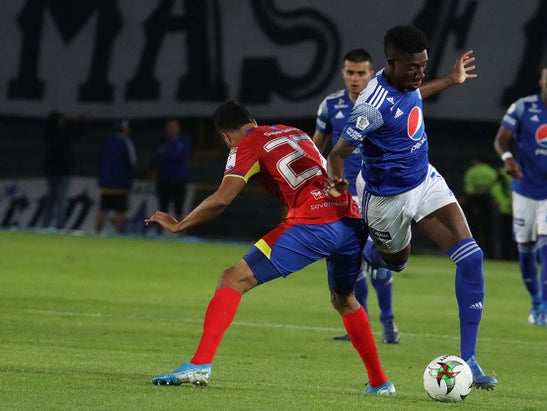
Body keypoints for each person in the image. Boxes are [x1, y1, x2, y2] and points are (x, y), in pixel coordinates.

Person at [145, 100, 396, 396]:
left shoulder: (244, 145)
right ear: (253, 119)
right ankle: (380, 383)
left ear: (225, 137)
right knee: (344, 299)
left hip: (314, 223)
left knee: (231, 278)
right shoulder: (294, 131)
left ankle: (199, 364)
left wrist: (180, 224)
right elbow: (328, 168)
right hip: (351, 221)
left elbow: (223, 198)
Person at [326, 24, 497, 390]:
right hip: (386, 199)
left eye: (424, 65)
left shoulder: (406, 81)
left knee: (471, 257)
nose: (419, 73)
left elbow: (416, 93)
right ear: (392, 63)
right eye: (413, 67)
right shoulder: (370, 107)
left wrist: (450, 80)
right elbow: (337, 153)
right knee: (396, 263)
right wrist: (337, 182)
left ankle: (469, 359)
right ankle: (366, 251)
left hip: (425, 180)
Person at [313, 48, 399, 344]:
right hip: (342, 198)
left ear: (371, 74)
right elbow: (316, 148)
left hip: (377, 194)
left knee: (378, 262)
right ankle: (361, 327)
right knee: (350, 263)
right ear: (343, 73)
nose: (355, 78)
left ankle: (388, 320)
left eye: (361, 73)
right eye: (350, 72)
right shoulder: (330, 105)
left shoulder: (384, 102)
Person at [493, 63, 547, 327]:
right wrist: (508, 158)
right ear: (541, 82)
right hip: (524, 189)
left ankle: (545, 309)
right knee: (526, 251)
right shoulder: (522, 108)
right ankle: (535, 300)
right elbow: (501, 140)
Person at [41, 110, 87, 230]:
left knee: (51, 199)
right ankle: (60, 225)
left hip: (52, 170)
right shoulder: (63, 133)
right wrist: (79, 121)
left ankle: (46, 224)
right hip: (63, 171)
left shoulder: (49, 132)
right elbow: (77, 134)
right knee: (61, 199)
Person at [96, 119, 136, 234]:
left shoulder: (107, 141)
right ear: (125, 129)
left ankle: (97, 233)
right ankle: (119, 234)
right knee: (120, 211)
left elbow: (99, 159)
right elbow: (132, 162)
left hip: (106, 182)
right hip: (120, 183)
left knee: (103, 209)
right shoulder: (126, 142)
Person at [152, 118, 192, 231]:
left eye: (174, 126)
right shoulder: (161, 142)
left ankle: (181, 234)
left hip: (179, 180)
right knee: (162, 209)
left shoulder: (184, 142)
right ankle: (159, 234)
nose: (171, 129)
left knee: (180, 208)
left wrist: (168, 156)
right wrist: (172, 156)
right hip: (164, 179)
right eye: (169, 127)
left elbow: (184, 157)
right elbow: (158, 158)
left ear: (178, 128)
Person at [462, 158, 498, 257]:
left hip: (474, 201)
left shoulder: (472, 171)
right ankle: (490, 254)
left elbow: (469, 187)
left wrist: (471, 201)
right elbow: (495, 188)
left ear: (476, 161)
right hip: (487, 201)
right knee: (488, 229)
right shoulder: (491, 171)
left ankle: (473, 252)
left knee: (473, 229)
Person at [491, 166, 517, 260]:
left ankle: (504, 256)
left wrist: (505, 204)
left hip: (504, 211)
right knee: (515, 236)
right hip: (514, 211)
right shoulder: (515, 176)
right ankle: (514, 256)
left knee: (504, 236)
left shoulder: (499, 179)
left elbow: (496, 193)